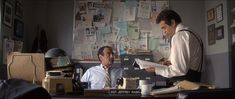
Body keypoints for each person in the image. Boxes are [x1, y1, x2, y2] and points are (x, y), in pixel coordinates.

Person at [144, 9, 203, 84]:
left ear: (172, 23)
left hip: (186, 82)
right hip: (194, 79)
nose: (164, 32)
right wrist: (169, 62)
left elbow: (179, 70)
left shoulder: (179, 36)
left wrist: (156, 70)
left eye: (164, 27)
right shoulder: (191, 32)